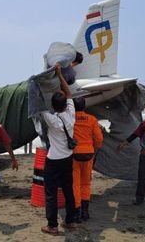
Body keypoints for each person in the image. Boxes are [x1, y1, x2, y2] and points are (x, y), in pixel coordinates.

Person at [40, 64, 77, 235]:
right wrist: (60, 74)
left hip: (54, 160)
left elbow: (38, 106)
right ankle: (70, 221)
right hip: (68, 158)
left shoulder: (52, 120)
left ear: (53, 106)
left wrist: (38, 85)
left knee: (51, 193)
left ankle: (52, 225)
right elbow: (69, 93)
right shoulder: (71, 114)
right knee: (68, 190)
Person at [72, 97, 103, 223]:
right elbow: (99, 139)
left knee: (75, 184)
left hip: (75, 154)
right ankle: (85, 212)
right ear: (85, 107)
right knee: (86, 184)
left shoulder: (70, 119)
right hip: (88, 154)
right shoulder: (92, 119)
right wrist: (93, 148)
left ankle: (77, 212)